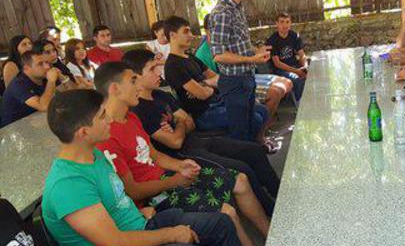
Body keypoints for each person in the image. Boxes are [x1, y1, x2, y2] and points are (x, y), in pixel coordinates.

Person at [93, 62, 268, 246]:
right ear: (115, 89)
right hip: (156, 194)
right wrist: (174, 181)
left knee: (241, 180)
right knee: (227, 212)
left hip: (167, 177)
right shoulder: (106, 136)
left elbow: (155, 155)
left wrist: (181, 166)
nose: (138, 85)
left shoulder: (131, 118)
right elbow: (133, 191)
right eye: (133, 80)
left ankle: (272, 234)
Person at [42, 89, 241, 246]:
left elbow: (116, 197)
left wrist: (138, 212)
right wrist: (171, 234)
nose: (110, 119)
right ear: (83, 133)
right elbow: (114, 242)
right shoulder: (68, 186)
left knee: (222, 224)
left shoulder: (94, 154)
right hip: (127, 240)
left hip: (140, 224)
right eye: (103, 116)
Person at [124, 49, 279, 215]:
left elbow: (189, 122)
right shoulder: (139, 109)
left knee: (254, 150)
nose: (158, 72)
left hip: (197, 139)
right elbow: (175, 143)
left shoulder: (162, 96)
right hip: (182, 155)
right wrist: (180, 122)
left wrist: (179, 126)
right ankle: (271, 210)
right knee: (243, 168)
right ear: (135, 76)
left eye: (157, 67)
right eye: (152, 69)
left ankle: (280, 194)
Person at [163, 16, 269, 144]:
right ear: (172, 35)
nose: (191, 35)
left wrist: (204, 84)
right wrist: (208, 86)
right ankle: (245, 151)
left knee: (262, 110)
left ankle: (253, 145)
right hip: (204, 114)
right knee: (254, 119)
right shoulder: (173, 66)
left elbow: (219, 77)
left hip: (219, 102)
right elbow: (202, 94)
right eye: (186, 31)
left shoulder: (190, 57)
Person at [207, 0, 273, 142]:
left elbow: (239, 45)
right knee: (240, 134)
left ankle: (255, 160)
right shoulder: (221, 13)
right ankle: (246, 168)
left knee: (252, 126)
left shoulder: (238, 8)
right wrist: (253, 59)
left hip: (247, 78)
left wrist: (255, 51)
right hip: (234, 83)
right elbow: (218, 55)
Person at [197, 14, 292, 139]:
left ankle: (264, 126)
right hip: (232, 85)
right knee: (276, 92)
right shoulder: (202, 55)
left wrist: (256, 53)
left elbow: (247, 54)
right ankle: (261, 135)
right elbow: (209, 82)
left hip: (246, 75)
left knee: (287, 82)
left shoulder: (228, 43)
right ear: (207, 31)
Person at [1, 50, 61, 127]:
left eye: (46, 62)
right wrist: (51, 81)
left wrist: (63, 77)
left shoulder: (43, 76)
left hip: (35, 121)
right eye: (40, 64)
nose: (47, 67)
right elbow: (44, 106)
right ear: (26, 68)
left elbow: (66, 93)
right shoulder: (19, 84)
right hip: (14, 130)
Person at [266, 12, 307, 101]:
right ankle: (299, 103)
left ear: (290, 23)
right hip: (281, 70)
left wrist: (305, 66)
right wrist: (297, 71)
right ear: (277, 24)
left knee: (311, 73)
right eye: (282, 22)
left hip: (295, 65)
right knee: (296, 78)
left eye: (287, 22)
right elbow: (277, 63)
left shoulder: (294, 36)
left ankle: (307, 99)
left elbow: (301, 54)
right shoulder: (272, 40)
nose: (285, 25)